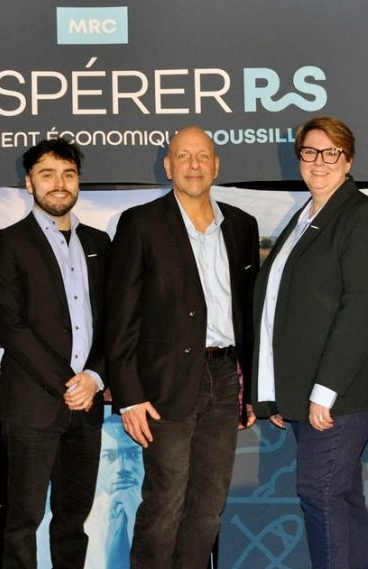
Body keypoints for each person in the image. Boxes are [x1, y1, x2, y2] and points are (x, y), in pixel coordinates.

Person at [105, 126, 260, 568]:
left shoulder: (242, 226)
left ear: (217, 165)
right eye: (184, 156)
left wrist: (250, 389)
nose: (194, 165)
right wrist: (129, 396)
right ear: (168, 166)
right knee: (165, 502)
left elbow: (248, 314)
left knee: (208, 506)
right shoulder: (140, 223)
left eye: (203, 156)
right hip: (164, 383)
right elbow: (119, 317)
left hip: (225, 380)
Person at [250, 116, 368, 569]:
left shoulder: (364, 218)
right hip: (306, 392)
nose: (319, 161)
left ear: (348, 161)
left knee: (321, 494)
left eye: (331, 152)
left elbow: (362, 309)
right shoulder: (306, 217)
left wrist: (324, 391)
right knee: (340, 495)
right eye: (310, 152)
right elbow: (279, 307)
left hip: (338, 396)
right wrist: (274, 391)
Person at [0, 138, 110, 568]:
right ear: (28, 183)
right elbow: (10, 326)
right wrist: (68, 383)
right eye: (47, 174)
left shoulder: (100, 243)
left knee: (73, 521)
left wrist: (94, 377)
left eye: (68, 174)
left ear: (78, 181)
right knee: (22, 522)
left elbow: (115, 322)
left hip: (87, 406)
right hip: (32, 407)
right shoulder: (7, 243)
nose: (59, 184)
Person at [84, 414, 144, 568]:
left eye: (132, 454)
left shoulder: (165, 517)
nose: (122, 468)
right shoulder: (77, 520)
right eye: (110, 456)